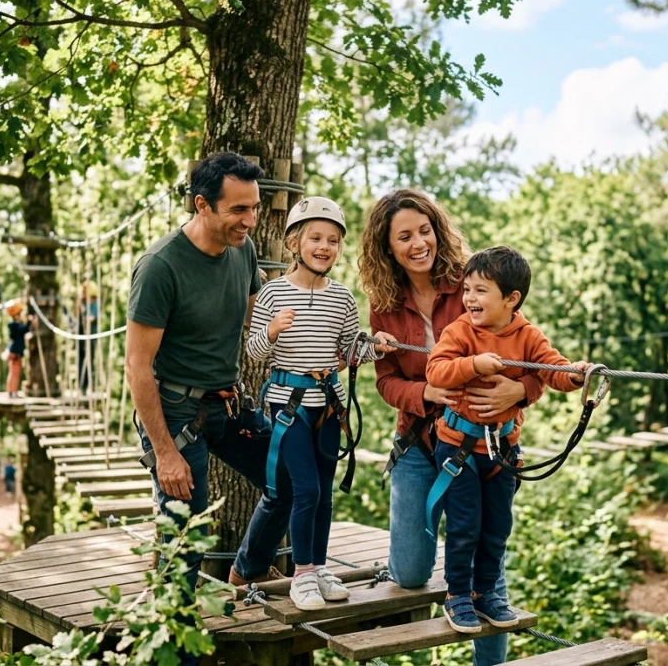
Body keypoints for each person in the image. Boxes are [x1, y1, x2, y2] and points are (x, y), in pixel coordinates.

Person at [360, 190, 552, 664]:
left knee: (488, 549)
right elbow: (385, 381)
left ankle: (487, 649)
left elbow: (530, 355)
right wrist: (422, 392)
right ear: (388, 247)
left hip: (480, 443)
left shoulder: (474, 283)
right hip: (418, 443)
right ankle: (434, 587)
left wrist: (521, 391)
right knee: (409, 573)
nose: (418, 243)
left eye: (424, 231)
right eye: (404, 236)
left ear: (438, 230)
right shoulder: (385, 303)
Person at [125, 152, 294, 665]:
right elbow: (138, 369)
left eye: (256, 209)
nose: (250, 221)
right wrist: (164, 453)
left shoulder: (241, 252)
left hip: (227, 403)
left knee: (290, 477)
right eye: (238, 210)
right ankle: (178, 653)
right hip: (175, 415)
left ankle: (244, 573)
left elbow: (257, 317)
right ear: (202, 204)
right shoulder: (161, 268)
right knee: (186, 532)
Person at [425, 246, 589, 633]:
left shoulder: (527, 335)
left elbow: (553, 371)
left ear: (511, 299)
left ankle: (486, 594)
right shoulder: (460, 331)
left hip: (502, 451)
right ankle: (457, 595)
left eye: (481, 291)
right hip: (459, 449)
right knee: (465, 525)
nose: (469, 299)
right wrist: (473, 365)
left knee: (497, 526)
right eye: (468, 289)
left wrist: (578, 374)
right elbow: (436, 371)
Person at [246, 196, 383, 611]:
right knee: (303, 489)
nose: (325, 247)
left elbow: (349, 352)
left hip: (329, 403)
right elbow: (253, 353)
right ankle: (301, 574)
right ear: (294, 243)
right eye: (316, 238)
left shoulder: (342, 298)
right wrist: (271, 330)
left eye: (334, 240)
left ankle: (319, 567)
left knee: (324, 492)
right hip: (288, 404)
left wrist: (378, 348)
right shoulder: (272, 293)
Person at [77, 279, 100, 394]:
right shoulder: (82, 303)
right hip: (81, 335)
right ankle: (82, 387)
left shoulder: (95, 304)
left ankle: (90, 386)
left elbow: (92, 317)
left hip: (91, 335)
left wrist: (88, 318)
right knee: (81, 360)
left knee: (89, 360)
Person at [5, 302, 31, 398]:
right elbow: (24, 330)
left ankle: (12, 391)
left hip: (15, 353)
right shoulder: (14, 326)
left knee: (14, 373)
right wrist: (29, 321)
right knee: (14, 373)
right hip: (15, 353)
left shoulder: (15, 325)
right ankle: (12, 392)